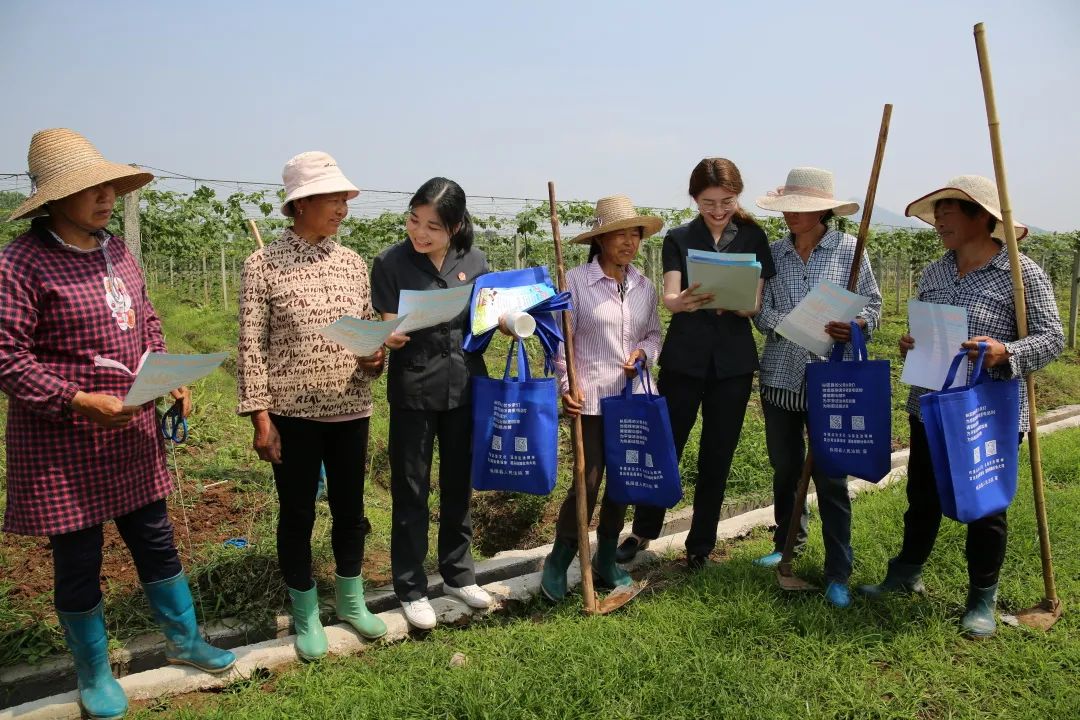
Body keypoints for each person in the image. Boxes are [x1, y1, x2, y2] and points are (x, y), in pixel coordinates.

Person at [0, 129, 234, 720]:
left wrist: (165, 370)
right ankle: (95, 673)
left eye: (109, 185)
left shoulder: (116, 250)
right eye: (91, 188)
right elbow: (7, 355)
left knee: (155, 538)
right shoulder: (20, 264)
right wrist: (78, 399)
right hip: (63, 439)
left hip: (130, 429)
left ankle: (183, 641)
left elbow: (145, 317)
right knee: (78, 557)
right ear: (54, 198)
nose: (107, 196)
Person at [859, 175, 1064, 637]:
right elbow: (923, 329)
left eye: (947, 214)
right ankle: (906, 571)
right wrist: (911, 341)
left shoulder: (1019, 272)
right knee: (922, 496)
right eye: (937, 217)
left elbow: (1054, 337)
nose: (939, 224)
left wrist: (1005, 353)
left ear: (982, 217)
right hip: (929, 402)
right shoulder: (934, 271)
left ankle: (981, 597)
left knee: (986, 503)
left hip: (985, 409)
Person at [237, 151, 387, 661]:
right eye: (333, 197)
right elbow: (250, 345)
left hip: (351, 408)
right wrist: (261, 417)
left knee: (351, 509)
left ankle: (350, 599)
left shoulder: (351, 263)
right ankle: (304, 614)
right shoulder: (263, 264)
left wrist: (375, 356)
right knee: (297, 512)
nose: (343, 207)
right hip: (292, 417)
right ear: (300, 204)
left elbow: (368, 331)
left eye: (346, 198)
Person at [613, 158, 776, 570]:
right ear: (694, 199)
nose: (718, 210)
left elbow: (756, 302)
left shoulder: (755, 237)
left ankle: (701, 543)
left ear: (736, 196)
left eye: (726, 201)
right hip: (685, 356)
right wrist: (681, 302)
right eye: (708, 202)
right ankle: (643, 531)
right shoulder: (680, 237)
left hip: (733, 362)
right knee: (667, 446)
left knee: (717, 453)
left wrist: (743, 307)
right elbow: (670, 294)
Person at [752, 167, 882, 609]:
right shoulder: (774, 254)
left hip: (832, 383)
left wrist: (857, 325)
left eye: (802, 209)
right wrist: (786, 325)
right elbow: (760, 310)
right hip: (780, 377)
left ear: (824, 210)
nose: (792, 215)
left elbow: (874, 307)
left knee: (831, 478)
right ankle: (787, 543)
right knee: (786, 470)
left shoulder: (850, 251)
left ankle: (838, 570)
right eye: (788, 207)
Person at [370, 177, 492, 630]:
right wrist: (392, 334)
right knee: (411, 489)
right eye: (413, 221)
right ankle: (411, 586)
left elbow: (480, 321)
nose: (419, 233)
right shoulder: (390, 263)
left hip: (463, 387)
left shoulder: (475, 261)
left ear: (456, 227)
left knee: (459, 485)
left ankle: (459, 574)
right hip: (414, 390)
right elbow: (389, 321)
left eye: (432, 227)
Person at [540, 195, 663, 600]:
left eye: (635, 234)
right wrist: (565, 386)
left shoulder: (645, 287)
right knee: (588, 479)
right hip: (591, 396)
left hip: (631, 397)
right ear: (601, 239)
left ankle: (606, 558)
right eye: (620, 235)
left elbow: (653, 334)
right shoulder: (575, 281)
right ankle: (560, 560)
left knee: (624, 480)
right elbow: (561, 341)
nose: (629, 242)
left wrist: (643, 354)